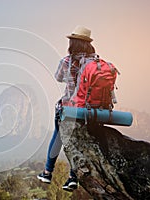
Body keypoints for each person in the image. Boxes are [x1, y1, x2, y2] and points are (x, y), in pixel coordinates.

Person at [37, 26, 96, 191]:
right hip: (91, 110)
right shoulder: (96, 63)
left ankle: (47, 172)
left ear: (73, 43)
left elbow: (58, 77)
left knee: (58, 136)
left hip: (70, 108)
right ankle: (73, 177)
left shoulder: (66, 61)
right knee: (80, 140)